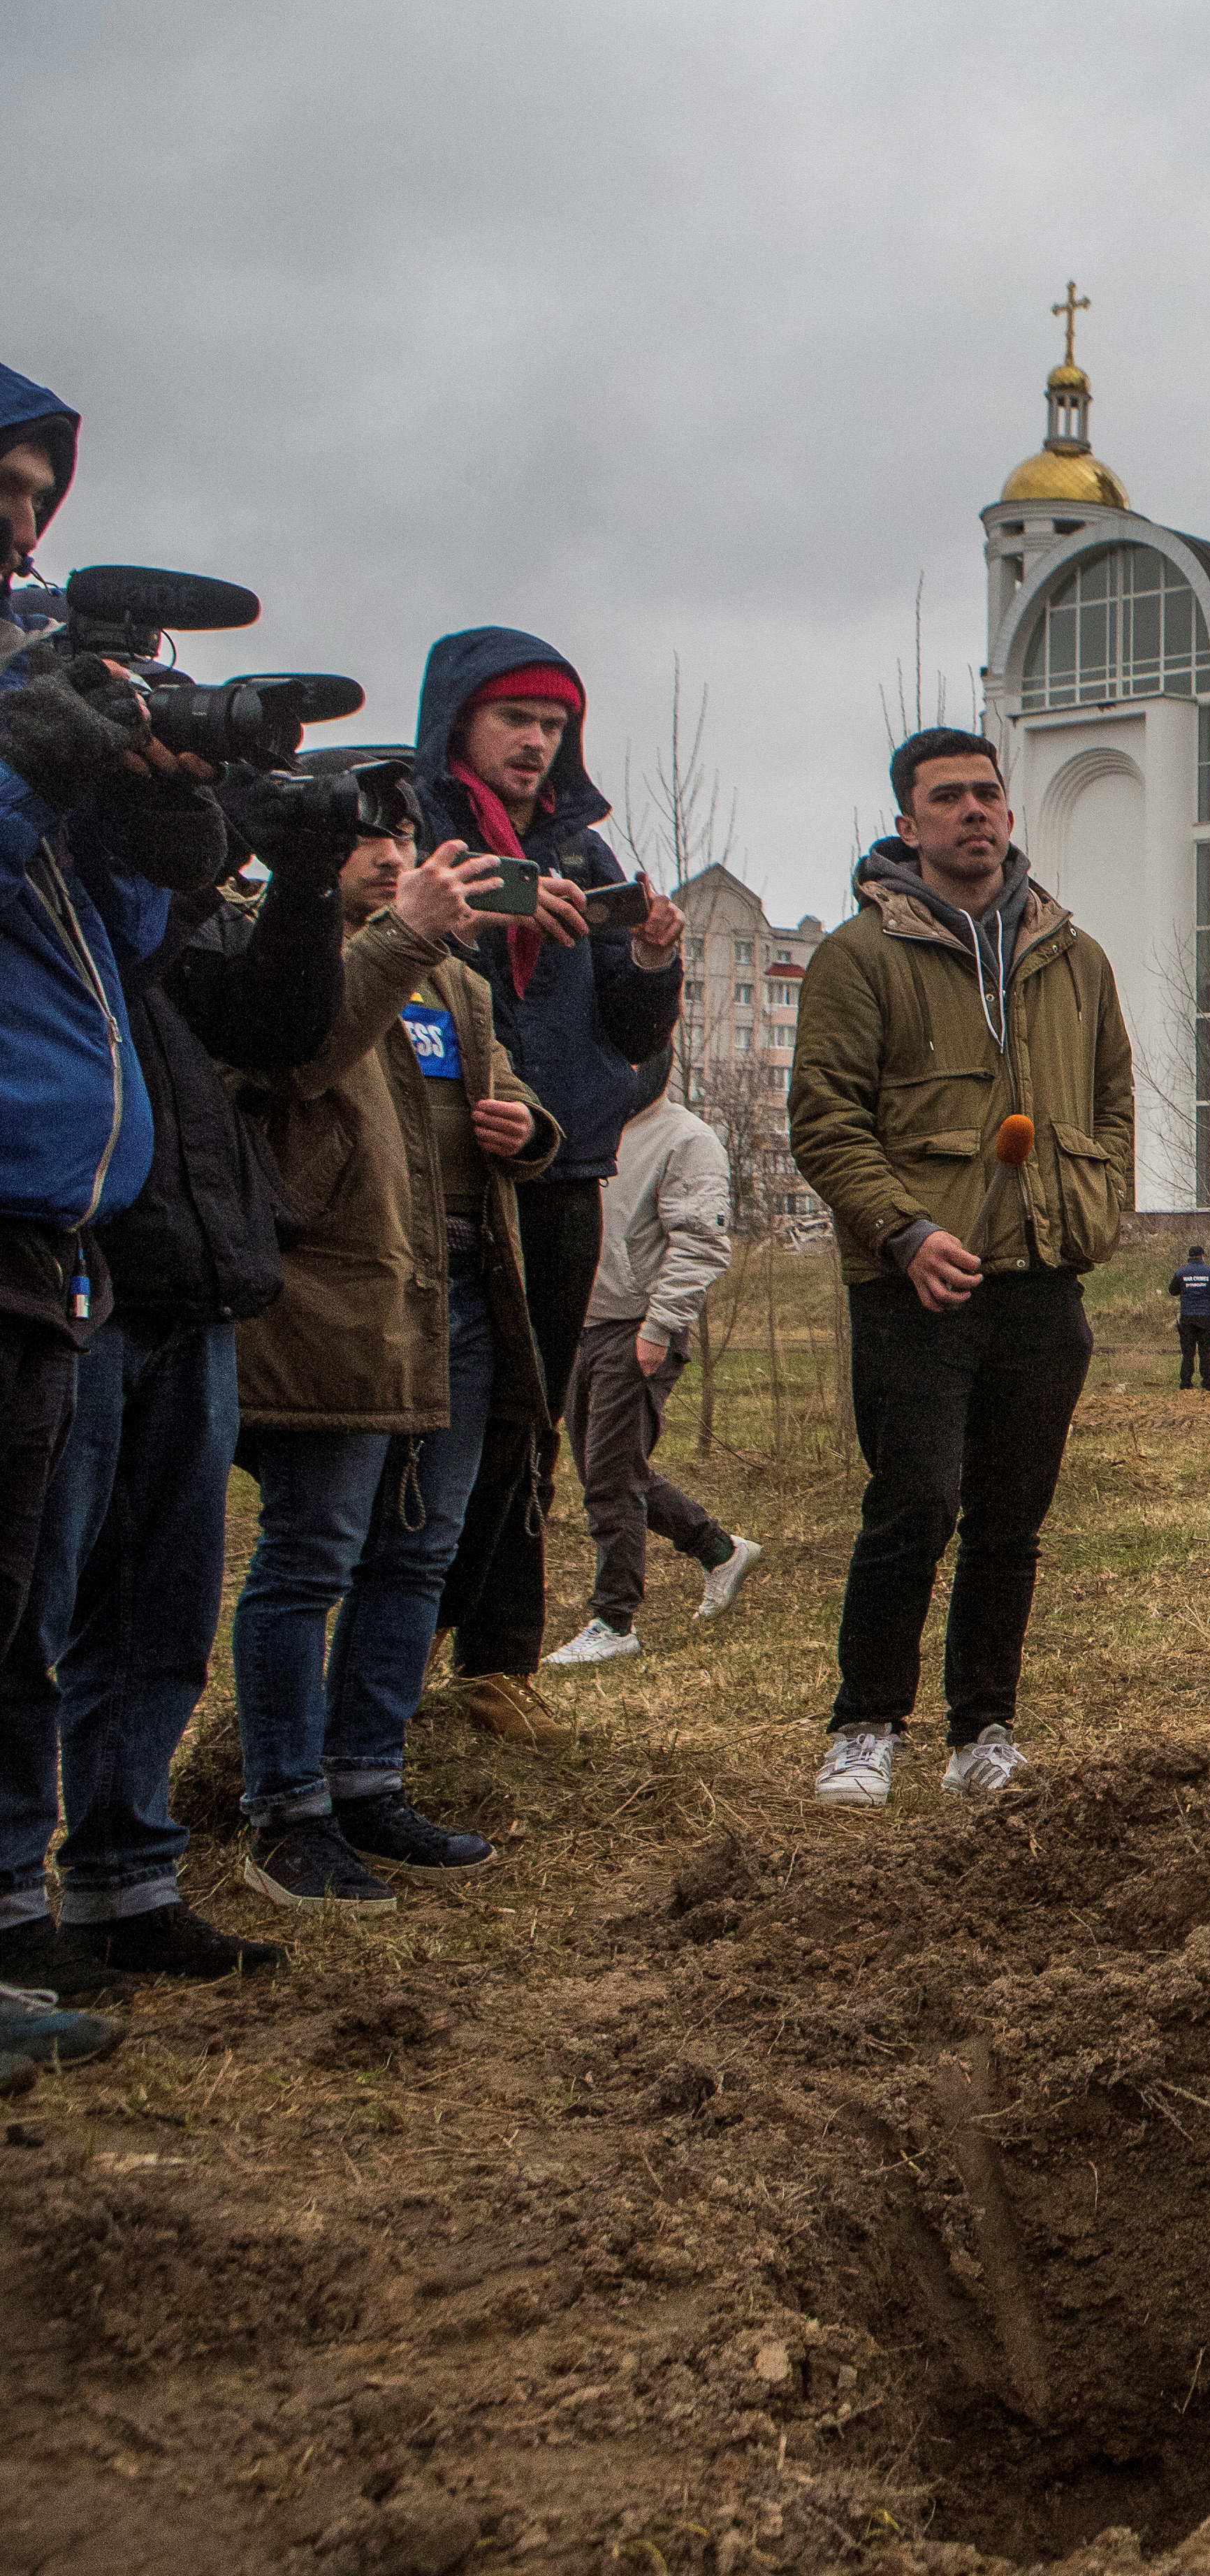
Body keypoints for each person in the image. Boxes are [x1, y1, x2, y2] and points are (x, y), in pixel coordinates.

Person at [3, 770, 349, 1984]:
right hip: (80, 1274)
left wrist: (300, 877)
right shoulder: (59, 895)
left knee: (160, 1613)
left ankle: (124, 1881)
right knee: (35, 1609)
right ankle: (14, 1902)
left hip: (190, 1284)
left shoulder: (139, 904)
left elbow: (277, 1023)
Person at [0, 363, 246, 1998]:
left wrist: (162, 833)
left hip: (60, 1224)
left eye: (35, 498)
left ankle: (35, 1907)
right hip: (37, 1207)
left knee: (29, 1600)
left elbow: (120, 960)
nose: (18, 523)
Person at [790, 729, 1132, 1808]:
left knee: (1010, 1520)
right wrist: (901, 1232)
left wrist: (1098, 1207)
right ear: (908, 824)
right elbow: (824, 1120)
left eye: (988, 794)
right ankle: (863, 1727)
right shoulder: (861, 956)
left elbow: (1115, 1102)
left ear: (1009, 814)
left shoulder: (1074, 956)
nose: (973, 813)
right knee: (913, 1506)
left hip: (1043, 1282)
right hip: (915, 1287)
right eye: (948, 799)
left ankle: (982, 1729)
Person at [231, 824, 557, 1912]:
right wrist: (402, 939)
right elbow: (292, 1062)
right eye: (364, 838)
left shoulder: (454, 987)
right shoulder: (281, 962)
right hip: (345, 1294)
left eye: (406, 838)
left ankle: (368, 1781)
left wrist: (529, 1128)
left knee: (419, 1553)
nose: (390, 856)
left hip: (461, 1292)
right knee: (311, 1554)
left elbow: (504, 1094)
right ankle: (285, 1811)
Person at [410, 633, 686, 1740]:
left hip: (562, 1169)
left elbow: (627, 1030)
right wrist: (485, 915)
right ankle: (391, 1659)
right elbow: (382, 964)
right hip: (435, 1171)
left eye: (554, 725)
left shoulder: (585, 853)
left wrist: (656, 961)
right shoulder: (418, 836)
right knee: (423, 1422)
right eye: (515, 718)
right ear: (460, 720)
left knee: (526, 1422)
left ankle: (495, 1664)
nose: (535, 742)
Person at [543, 1059, 755, 1669]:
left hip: (638, 1328)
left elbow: (701, 1243)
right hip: (582, 1324)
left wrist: (659, 1327)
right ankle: (719, 1550)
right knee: (606, 1469)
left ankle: (614, 1621)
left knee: (610, 1478)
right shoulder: (591, 1128)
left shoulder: (686, 1138)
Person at [1169, 1244, 1210, 1389]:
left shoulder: (1181, 1272)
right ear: (1202, 1256)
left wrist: (1187, 1288)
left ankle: (1186, 1382)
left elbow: (1172, 1291)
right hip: (1205, 1317)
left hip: (1187, 1317)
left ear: (1189, 1257)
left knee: (1188, 1352)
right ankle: (1207, 1381)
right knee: (1206, 1351)